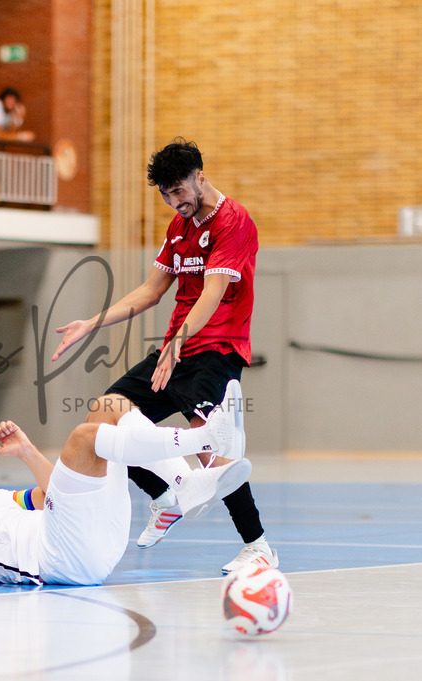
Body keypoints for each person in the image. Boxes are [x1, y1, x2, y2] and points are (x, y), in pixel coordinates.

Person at [51, 138, 278, 574]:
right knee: (103, 418)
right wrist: (92, 323)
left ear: (200, 178)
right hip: (176, 347)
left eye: (179, 191)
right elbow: (152, 291)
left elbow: (213, 293)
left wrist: (177, 344)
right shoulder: (179, 228)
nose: (176, 202)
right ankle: (165, 495)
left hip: (216, 346)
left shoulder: (234, 221)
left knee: (213, 450)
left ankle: (258, 546)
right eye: (166, 195)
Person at [0, 380, 249, 585]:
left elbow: (51, 495)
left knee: (110, 405)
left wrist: (28, 452)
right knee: (84, 438)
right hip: (59, 558)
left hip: (90, 537)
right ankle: (206, 439)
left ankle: (184, 483)